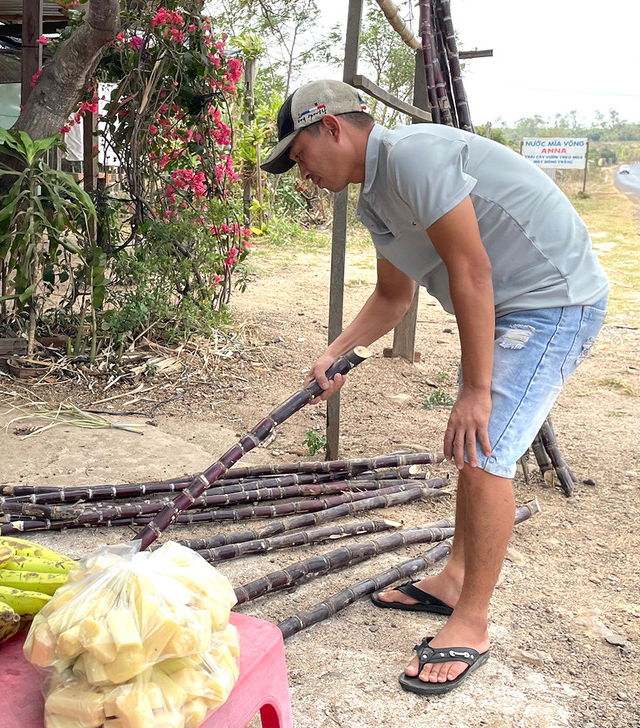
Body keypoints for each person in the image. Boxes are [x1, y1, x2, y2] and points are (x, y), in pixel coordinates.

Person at [261, 80, 608, 695]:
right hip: (511, 307)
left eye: (299, 154)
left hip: (554, 301)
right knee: (474, 448)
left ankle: (471, 621)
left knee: (482, 449)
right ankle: (452, 579)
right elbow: (394, 297)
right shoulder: (375, 197)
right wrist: (335, 352)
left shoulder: (414, 157)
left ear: (332, 128)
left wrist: (475, 391)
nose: (299, 171)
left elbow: (471, 270)